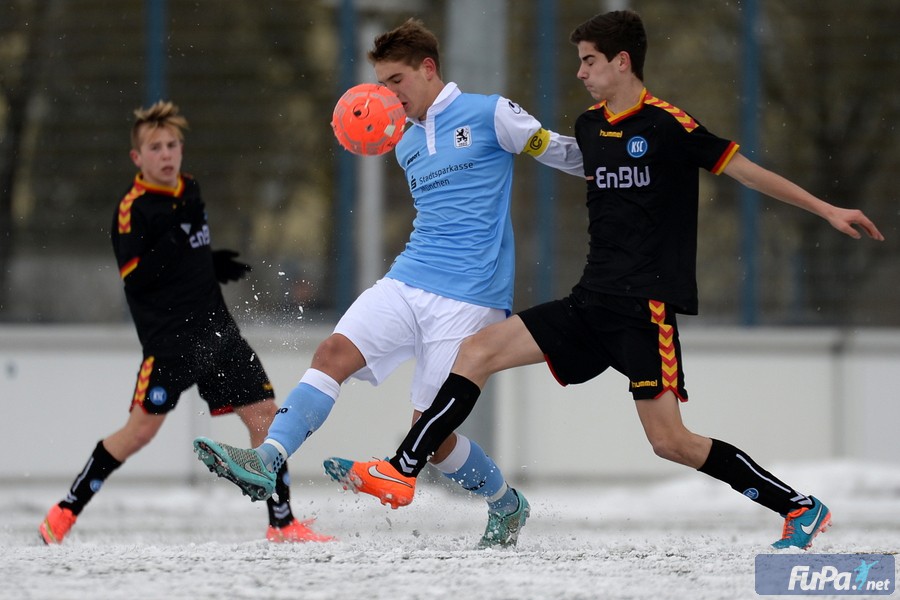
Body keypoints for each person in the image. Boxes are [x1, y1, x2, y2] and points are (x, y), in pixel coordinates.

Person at [327, 10, 885, 550]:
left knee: (672, 442)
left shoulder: (668, 124)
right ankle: (401, 469)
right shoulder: (589, 127)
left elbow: (744, 169)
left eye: (589, 61)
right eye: (577, 61)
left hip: (644, 311)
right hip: (589, 301)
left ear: (622, 62)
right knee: (476, 350)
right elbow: (550, 154)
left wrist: (826, 209)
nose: (579, 72)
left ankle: (799, 507)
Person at [192, 18, 583, 548]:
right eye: (381, 83)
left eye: (395, 80)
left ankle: (506, 504)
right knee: (332, 352)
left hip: (471, 296)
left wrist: (624, 168)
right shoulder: (402, 141)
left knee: (434, 436)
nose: (387, 94)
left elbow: (559, 150)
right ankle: (267, 460)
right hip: (409, 277)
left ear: (427, 69)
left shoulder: (489, 113)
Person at [38, 100, 332, 545]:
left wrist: (210, 262)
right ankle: (65, 510)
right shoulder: (133, 209)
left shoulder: (189, 189)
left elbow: (182, 256)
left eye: (172, 144)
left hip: (217, 329)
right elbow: (137, 278)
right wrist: (177, 239)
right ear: (137, 157)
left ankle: (282, 522)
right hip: (171, 341)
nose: (167, 154)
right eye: (155, 147)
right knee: (140, 432)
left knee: (265, 417)